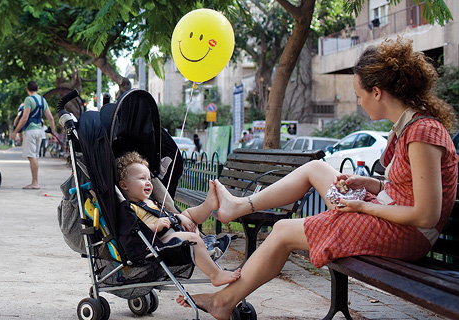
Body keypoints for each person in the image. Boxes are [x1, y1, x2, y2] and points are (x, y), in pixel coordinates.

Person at [176, 37, 458, 319]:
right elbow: (407, 188)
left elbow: (425, 215)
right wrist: (371, 185)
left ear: (377, 92)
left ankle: (222, 302)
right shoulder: (409, 127)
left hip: (408, 233)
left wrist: (362, 207)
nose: (358, 102)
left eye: (359, 95)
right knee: (316, 169)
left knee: (284, 230)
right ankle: (239, 206)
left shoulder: (422, 133)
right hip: (391, 216)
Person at [116, 151, 241, 286]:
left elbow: (165, 215)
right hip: (159, 242)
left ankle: (209, 205)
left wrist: (179, 217)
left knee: (188, 214)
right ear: (124, 185)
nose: (148, 183)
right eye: (142, 179)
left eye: (149, 179)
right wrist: (155, 226)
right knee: (192, 239)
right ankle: (216, 274)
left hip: (172, 230)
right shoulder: (130, 209)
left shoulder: (151, 201)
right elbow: (134, 231)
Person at [10, 81, 56, 189]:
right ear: (38, 88)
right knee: (35, 156)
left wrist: (15, 131)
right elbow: (51, 118)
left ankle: (35, 182)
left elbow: (25, 118)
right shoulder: (43, 100)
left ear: (27, 89)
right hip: (39, 131)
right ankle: (35, 181)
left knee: (32, 156)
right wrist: (53, 133)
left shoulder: (28, 100)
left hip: (30, 131)